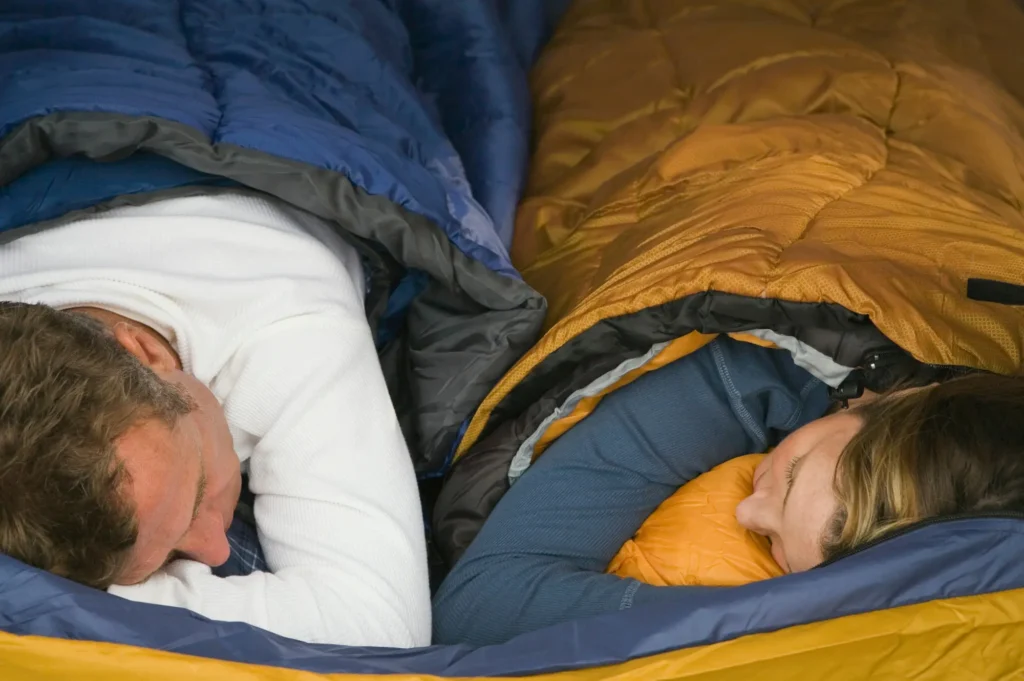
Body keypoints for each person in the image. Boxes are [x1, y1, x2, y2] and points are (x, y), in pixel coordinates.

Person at [0, 189, 431, 647]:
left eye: (199, 488)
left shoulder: (293, 335)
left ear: (146, 352)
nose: (215, 549)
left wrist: (89, 600)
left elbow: (381, 634)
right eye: (163, 557)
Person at [431, 337, 1024, 646]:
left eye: (775, 546)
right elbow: (479, 605)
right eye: (792, 474)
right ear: (891, 399)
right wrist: (757, 618)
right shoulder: (752, 372)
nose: (746, 509)